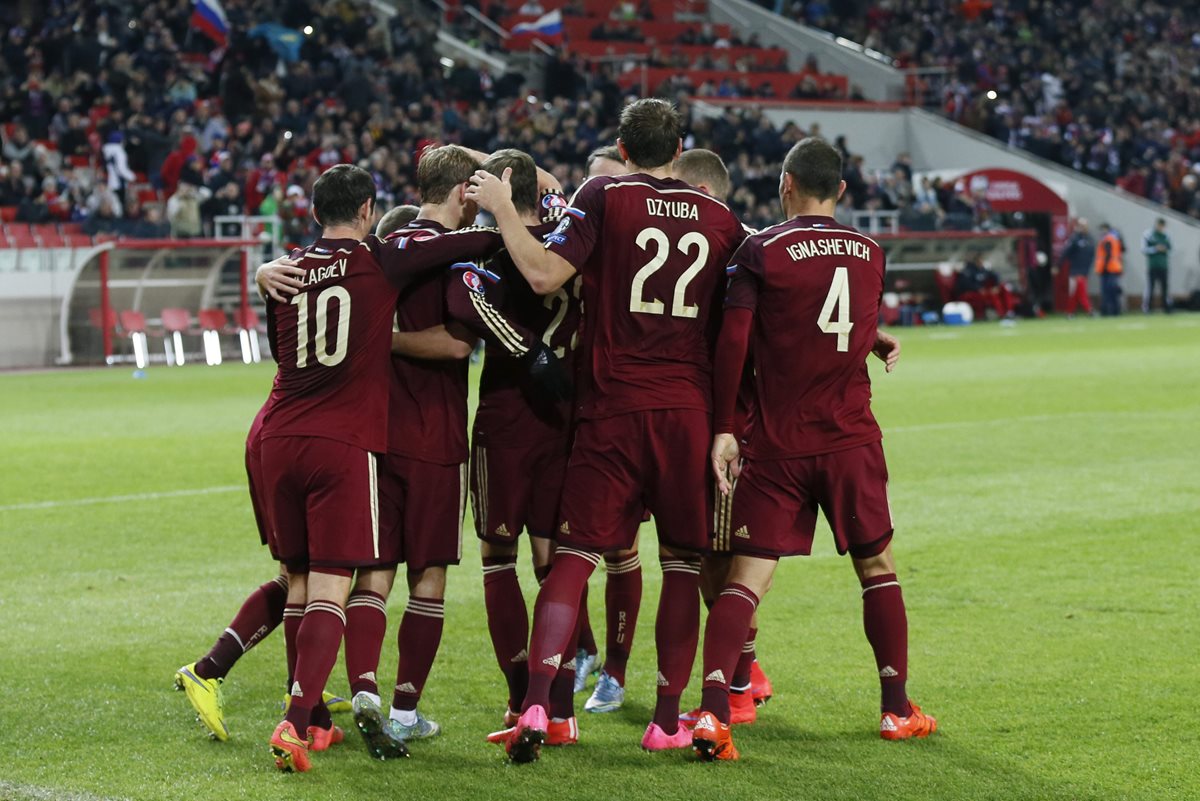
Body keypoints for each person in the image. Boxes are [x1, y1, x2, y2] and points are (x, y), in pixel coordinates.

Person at [468, 98, 749, 761]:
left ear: (622, 151)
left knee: (574, 557)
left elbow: (543, 273)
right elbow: (757, 301)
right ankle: (667, 720)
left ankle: (540, 706)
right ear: (678, 149)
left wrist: (503, 208)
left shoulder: (603, 196)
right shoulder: (721, 218)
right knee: (680, 564)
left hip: (610, 408)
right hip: (686, 414)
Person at [252, 163, 504, 772]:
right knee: (335, 584)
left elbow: (281, 349)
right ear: (368, 210)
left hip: (276, 435)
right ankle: (300, 720)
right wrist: (509, 209)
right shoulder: (379, 259)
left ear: (315, 213)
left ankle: (315, 718)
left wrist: (262, 273)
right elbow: (480, 244)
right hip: (343, 444)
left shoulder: (285, 271)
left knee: (302, 578)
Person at [692, 138, 933, 762]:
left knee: (747, 579)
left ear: (786, 183)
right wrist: (873, 339)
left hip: (778, 443)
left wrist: (725, 425)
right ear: (842, 190)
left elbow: (735, 343)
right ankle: (896, 709)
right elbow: (839, 320)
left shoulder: (761, 250)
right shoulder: (871, 251)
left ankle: (714, 713)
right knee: (877, 568)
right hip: (850, 438)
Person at [339, 146, 566, 758]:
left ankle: (364, 692)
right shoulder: (459, 254)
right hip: (434, 435)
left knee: (373, 574)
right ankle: (404, 710)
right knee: (428, 579)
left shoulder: (378, 247)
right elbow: (455, 345)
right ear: (467, 192)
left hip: (374, 435)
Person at [1061, 218, 1094, 318]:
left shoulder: (1089, 239)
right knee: (1080, 292)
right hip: (1075, 271)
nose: (1084, 227)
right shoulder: (1074, 238)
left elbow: (1091, 255)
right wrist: (1058, 265)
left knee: (1075, 293)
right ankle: (1089, 310)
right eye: (1081, 225)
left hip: (1085, 271)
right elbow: (1066, 252)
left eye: (1085, 225)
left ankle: (1070, 312)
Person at [1141, 217, 1172, 313]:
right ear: (1156, 224)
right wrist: (1155, 249)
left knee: (1165, 287)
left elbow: (1171, 250)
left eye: (1162, 226)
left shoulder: (1166, 236)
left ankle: (1166, 307)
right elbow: (1143, 249)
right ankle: (1148, 307)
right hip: (1153, 265)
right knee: (1150, 287)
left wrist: (1165, 249)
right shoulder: (1148, 234)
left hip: (1164, 266)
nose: (1161, 227)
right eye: (1159, 225)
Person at [1095, 223, 1124, 316]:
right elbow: (1122, 249)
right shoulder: (1115, 238)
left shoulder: (1107, 239)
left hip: (1108, 269)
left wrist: (1103, 267)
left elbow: (1108, 254)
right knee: (1112, 291)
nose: (1101, 231)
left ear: (1106, 229)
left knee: (1107, 291)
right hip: (1115, 268)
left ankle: (1107, 311)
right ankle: (1115, 311)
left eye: (1102, 229)